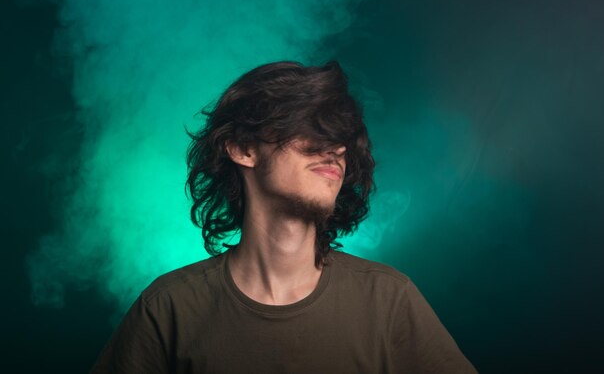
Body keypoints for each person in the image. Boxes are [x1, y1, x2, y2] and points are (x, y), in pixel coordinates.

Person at [91, 61, 478, 373]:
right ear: (243, 148)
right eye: (313, 128)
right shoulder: (169, 308)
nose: (337, 149)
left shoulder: (389, 299)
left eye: (342, 137)